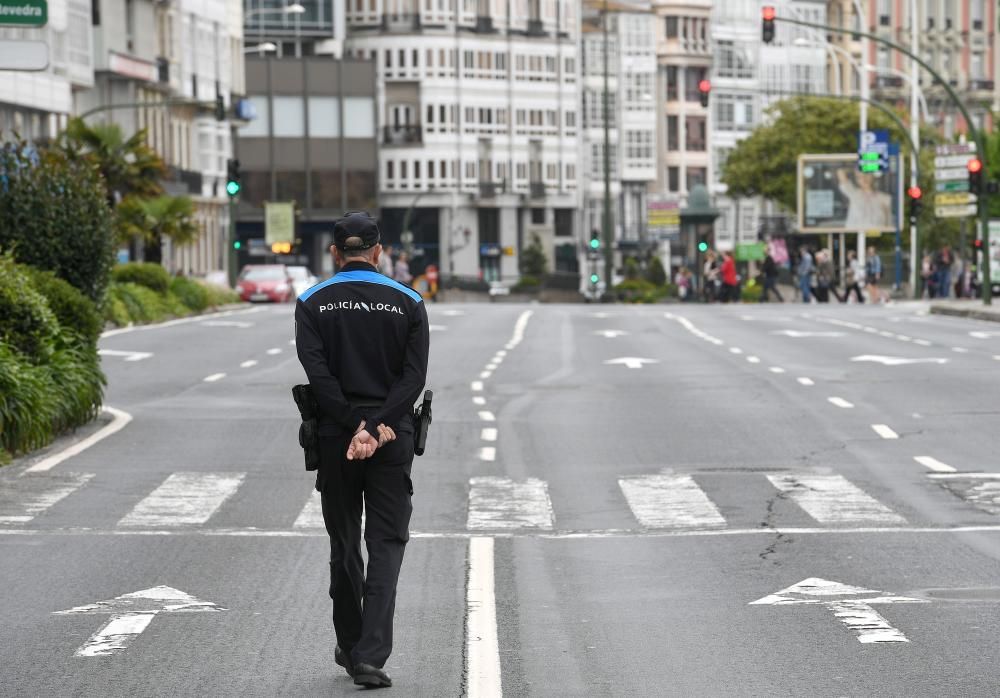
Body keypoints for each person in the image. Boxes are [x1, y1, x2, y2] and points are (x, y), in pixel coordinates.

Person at [294, 212, 430, 689]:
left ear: (336, 253)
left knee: (345, 543)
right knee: (386, 544)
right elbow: (414, 377)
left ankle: (352, 645)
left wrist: (355, 425)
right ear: (377, 251)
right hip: (392, 436)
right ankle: (370, 654)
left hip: (337, 438)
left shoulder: (311, 301)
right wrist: (377, 424)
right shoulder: (409, 300)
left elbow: (319, 377)